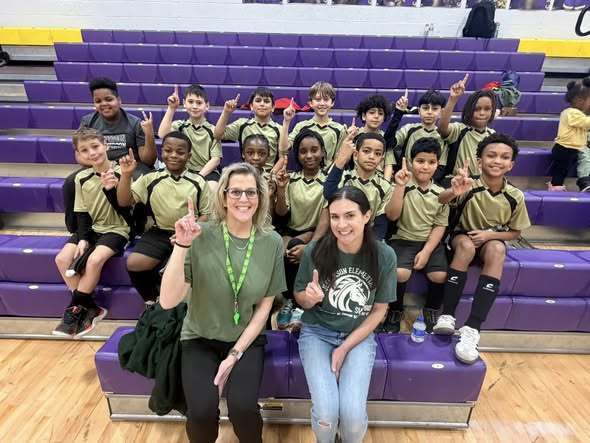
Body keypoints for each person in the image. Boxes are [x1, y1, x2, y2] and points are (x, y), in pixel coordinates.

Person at [159, 162, 286, 443]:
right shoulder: (200, 235)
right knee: (201, 413)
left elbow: (265, 308)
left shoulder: (272, 242)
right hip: (200, 338)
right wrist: (181, 246)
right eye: (236, 192)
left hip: (244, 340)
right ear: (224, 197)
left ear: (260, 198)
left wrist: (235, 354)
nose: (243, 199)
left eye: (250, 193)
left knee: (242, 409)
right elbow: (168, 301)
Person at [294, 186, 396, 443]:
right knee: (327, 415)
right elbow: (300, 298)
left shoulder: (384, 255)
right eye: (335, 216)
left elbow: (380, 311)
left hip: (358, 335)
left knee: (351, 418)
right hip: (317, 332)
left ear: (366, 216)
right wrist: (310, 298)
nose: (341, 224)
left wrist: (344, 348)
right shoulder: (314, 251)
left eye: (350, 215)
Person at [433, 134, 530, 364]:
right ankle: (447, 315)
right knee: (465, 245)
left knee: (498, 249)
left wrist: (489, 235)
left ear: (512, 164)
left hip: (490, 241)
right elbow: (441, 200)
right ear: (479, 160)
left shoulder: (515, 195)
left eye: (505, 157)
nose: (497, 161)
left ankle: (473, 328)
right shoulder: (469, 184)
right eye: (491, 155)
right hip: (461, 238)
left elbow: (515, 232)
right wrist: (454, 191)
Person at [116, 131, 212, 306]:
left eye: (180, 152)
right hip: (160, 231)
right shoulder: (150, 178)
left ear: (189, 156)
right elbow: (124, 201)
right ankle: (152, 301)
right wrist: (126, 175)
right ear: (162, 152)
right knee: (134, 263)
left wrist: (192, 227)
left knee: (180, 271)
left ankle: (180, 302)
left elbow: (207, 214)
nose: (174, 155)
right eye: (168, 150)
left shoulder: (199, 181)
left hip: (190, 234)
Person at [54, 128, 130, 338]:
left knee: (94, 261)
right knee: (62, 259)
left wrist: (114, 188)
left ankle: (75, 309)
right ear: (78, 154)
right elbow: (81, 212)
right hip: (91, 229)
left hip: (117, 228)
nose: (92, 153)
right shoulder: (80, 179)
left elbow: (127, 209)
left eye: (95, 146)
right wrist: (84, 238)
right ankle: (90, 306)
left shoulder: (122, 172)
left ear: (105, 145)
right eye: (85, 150)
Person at [63, 77, 156, 235]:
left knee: (142, 178)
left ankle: (137, 224)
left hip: (129, 165)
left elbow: (148, 160)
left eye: (108, 99)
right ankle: (77, 229)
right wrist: (95, 162)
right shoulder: (87, 121)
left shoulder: (134, 123)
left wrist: (149, 134)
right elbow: (79, 155)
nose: (104, 104)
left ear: (118, 100)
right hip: (99, 165)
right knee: (71, 181)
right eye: (98, 101)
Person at [380, 138, 449, 333]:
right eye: (420, 161)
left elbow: (439, 226)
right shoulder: (400, 186)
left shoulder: (442, 193)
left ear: (437, 164)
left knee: (440, 275)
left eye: (431, 162)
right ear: (410, 162)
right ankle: (395, 310)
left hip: (429, 242)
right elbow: (392, 215)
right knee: (400, 273)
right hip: (402, 239)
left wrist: (427, 251)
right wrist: (400, 186)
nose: (425, 167)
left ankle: (432, 310)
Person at [274, 129, 327, 329]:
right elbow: (281, 214)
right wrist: (280, 189)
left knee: (298, 246)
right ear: (297, 154)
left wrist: (311, 244)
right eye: (303, 151)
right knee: (286, 247)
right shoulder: (291, 179)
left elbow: (327, 218)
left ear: (322, 152)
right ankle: (291, 300)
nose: (309, 155)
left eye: (314, 150)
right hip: (292, 229)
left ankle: (302, 304)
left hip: (319, 231)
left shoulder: (330, 180)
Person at [324, 132, 394, 240]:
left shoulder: (385, 187)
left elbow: (381, 224)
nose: (371, 156)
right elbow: (328, 193)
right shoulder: (344, 177)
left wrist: (372, 245)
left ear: (381, 159)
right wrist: (341, 159)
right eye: (366, 151)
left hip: (369, 237)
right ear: (356, 155)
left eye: (377, 153)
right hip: (341, 232)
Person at [158, 84, 222, 190]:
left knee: (213, 188)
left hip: (207, 172)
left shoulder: (214, 130)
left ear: (207, 106)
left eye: (199, 102)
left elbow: (215, 159)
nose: (194, 106)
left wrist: (199, 176)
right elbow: (162, 134)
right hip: (183, 170)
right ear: (184, 103)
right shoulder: (179, 126)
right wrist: (171, 108)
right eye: (190, 102)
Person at [438, 74, 496, 183]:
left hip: (482, 183)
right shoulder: (460, 130)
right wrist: (453, 99)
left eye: (487, 109)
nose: (482, 113)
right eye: (477, 109)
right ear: (469, 110)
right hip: (458, 182)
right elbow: (442, 128)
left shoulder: (492, 135)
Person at [384, 89, 448, 181]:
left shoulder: (444, 135)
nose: (429, 112)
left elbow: (441, 167)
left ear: (441, 112)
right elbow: (388, 143)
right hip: (405, 179)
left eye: (434, 109)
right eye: (425, 108)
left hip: (429, 184)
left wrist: (426, 183)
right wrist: (398, 112)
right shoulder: (409, 129)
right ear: (419, 110)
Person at [214, 87, 281, 171]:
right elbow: (217, 135)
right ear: (251, 106)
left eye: (266, 101)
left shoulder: (279, 129)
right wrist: (226, 112)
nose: (262, 104)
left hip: (269, 173)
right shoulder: (242, 124)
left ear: (273, 107)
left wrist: (271, 175)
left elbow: (283, 157)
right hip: (247, 172)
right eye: (258, 100)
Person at [286, 81, 347, 164]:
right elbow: (284, 149)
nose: (322, 103)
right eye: (318, 100)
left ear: (332, 103)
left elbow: (340, 159)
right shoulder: (301, 126)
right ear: (310, 103)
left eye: (326, 99)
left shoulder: (340, 129)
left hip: (329, 175)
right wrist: (286, 121)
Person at [548, 77, 590, 191]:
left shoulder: (579, 113)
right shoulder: (572, 113)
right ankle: (556, 186)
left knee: (565, 169)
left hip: (573, 148)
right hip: (564, 148)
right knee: (560, 170)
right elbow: (585, 123)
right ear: (580, 101)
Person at [355, 94, 394, 177]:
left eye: (380, 114)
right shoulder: (354, 134)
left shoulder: (386, 138)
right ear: (363, 116)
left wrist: (385, 185)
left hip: (378, 181)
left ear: (384, 118)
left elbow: (388, 165)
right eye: (372, 112)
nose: (376, 116)